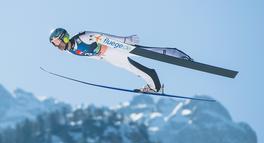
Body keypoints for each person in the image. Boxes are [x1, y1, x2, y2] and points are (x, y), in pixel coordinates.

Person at [49, 28, 190, 92]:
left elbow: (103, 37)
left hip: (114, 48)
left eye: (56, 42)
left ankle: (177, 54)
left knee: (147, 52)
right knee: (133, 69)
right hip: (108, 56)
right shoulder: (70, 51)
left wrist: (125, 40)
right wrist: (99, 57)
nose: (56, 46)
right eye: (54, 44)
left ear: (63, 37)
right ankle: (155, 86)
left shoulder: (83, 37)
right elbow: (88, 54)